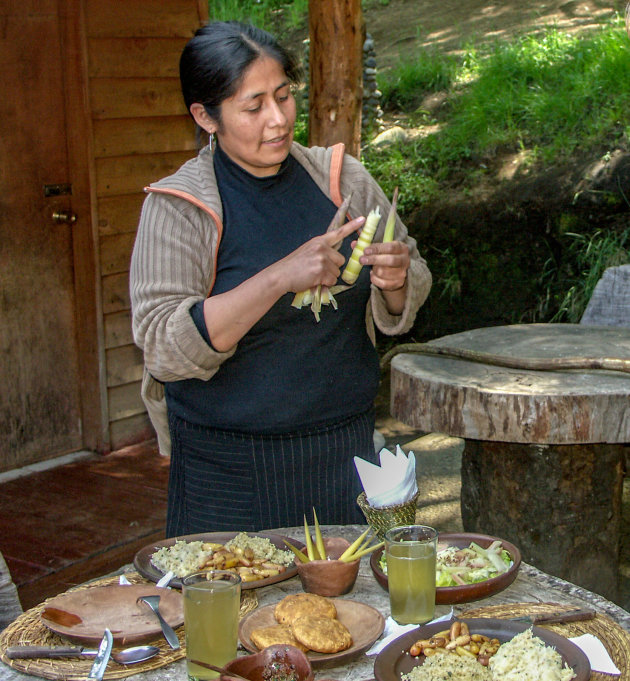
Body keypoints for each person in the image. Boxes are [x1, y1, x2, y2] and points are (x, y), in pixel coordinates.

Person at [130, 21, 432, 537]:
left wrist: (397, 278)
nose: (277, 119)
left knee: (356, 613)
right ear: (206, 116)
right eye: (253, 107)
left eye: (284, 96)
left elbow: (413, 273)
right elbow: (163, 345)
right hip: (226, 474)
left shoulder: (343, 180)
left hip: (346, 460)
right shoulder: (179, 208)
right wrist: (277, 278)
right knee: (231, 613)